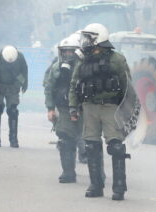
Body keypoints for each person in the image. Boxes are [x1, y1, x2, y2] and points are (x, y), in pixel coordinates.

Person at [68, 23, 131, 200]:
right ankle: (96, 185)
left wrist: (126, 110)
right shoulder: (82, 60)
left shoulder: (117, 59)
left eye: (89, 38)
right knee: (91, 146)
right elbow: (74, 85)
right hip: (89, 107)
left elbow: (127, 85)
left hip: (111, 107)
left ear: (98, 39)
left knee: (116, 146)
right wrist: (74, 107)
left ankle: (119, 187)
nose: (85, 41)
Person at [44, 34, 82, 183]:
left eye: (71, 51)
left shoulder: (84, 66)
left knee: (89, 140)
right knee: (66, 139)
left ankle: (97, 175)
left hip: (83, 108)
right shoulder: (56, 68)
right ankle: (68, 172)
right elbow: (49, 88)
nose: (67, 54)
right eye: (65, 51)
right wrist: (50, 108)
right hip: (64, 108)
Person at [0, 45, 28, 148]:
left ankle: (13, 140)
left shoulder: (20, 57)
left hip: (13, 86)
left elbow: (24, 72)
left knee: (13, 111)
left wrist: (22, 84)